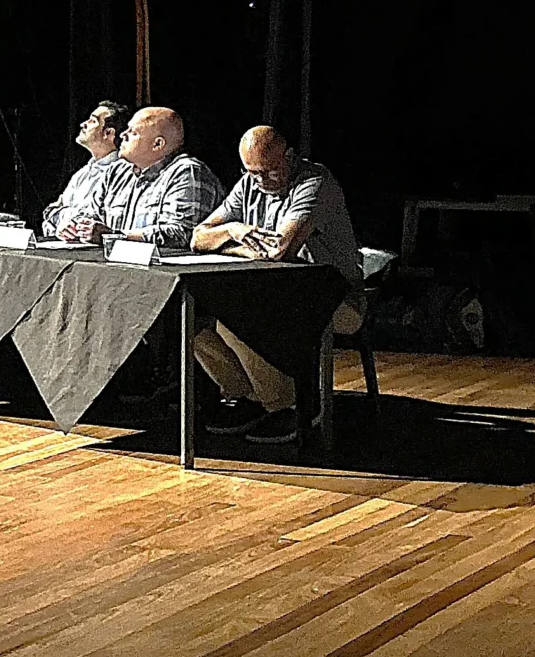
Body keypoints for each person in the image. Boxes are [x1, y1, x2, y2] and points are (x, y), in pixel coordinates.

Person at [191, 126, 366, 445]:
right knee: (192, 317)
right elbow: (198, 237)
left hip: (335, 296)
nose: (260, 182)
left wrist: (230, 245)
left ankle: (289, 405)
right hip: (271, 288)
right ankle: (248, 397)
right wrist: (233, 230)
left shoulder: (315, 182)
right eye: (251, 172)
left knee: (242, 318)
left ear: (289, 156)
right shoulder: (249, 184)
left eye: (268, 172)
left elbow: (278, 252)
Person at [54, 106, 220, 250]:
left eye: (132, 132)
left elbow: (181, 234)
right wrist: (75, 227)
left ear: (157, 144)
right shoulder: (117, 171)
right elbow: (91, 215)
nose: (123, 135)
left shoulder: (187, 172)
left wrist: (114, 236)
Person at [38, 100, 131, 236]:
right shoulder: (82, 173)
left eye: (93, 121)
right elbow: (48, 217)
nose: (83, 124)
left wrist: (60, 215)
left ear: (109, 133)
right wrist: (59, 220)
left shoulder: (122, 173)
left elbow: (91, 219)